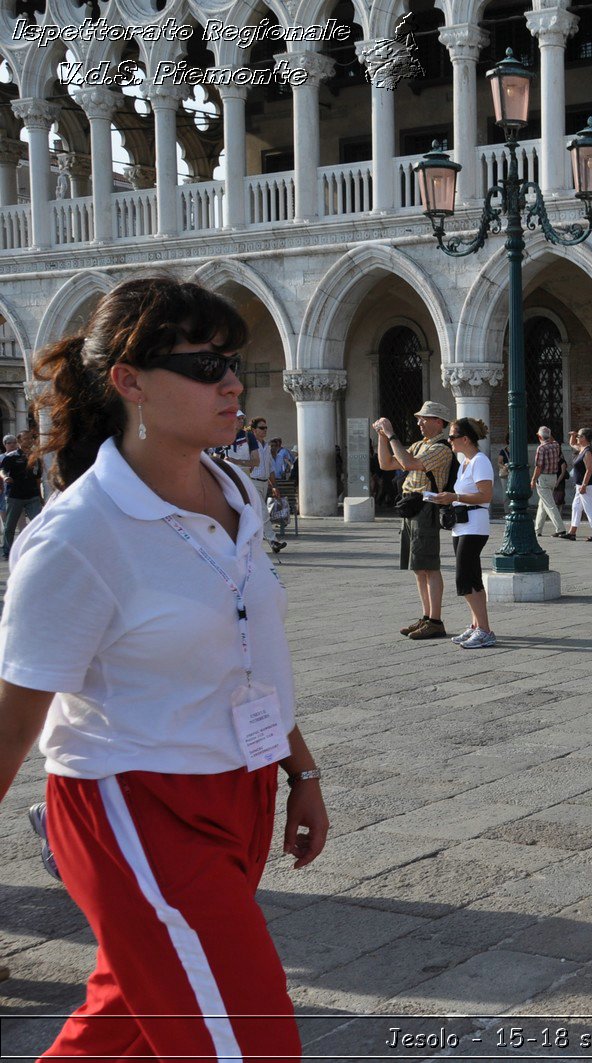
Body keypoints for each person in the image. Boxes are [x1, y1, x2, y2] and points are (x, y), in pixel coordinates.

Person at [0, 276, 326, 1060]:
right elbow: (13, 722)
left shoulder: (234, 489)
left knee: (126, 1032)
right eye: (204, 365)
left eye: (232, 362)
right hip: (134, 805)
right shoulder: (78, 535)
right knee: (249, 1042)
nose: (232, 382)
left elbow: (248, 653)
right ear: (130, 381)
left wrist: (301, 770)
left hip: (236, 789)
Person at [374, 400, 456, 640]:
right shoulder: (421, 444)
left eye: (424, 418)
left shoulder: (441, 448)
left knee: (429, 565)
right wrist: (382, 437)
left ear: (438, 422)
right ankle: (426, 616)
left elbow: (409, 464)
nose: (419, 422)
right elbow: (386, 463)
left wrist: (391, 434)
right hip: (410, 506)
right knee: (418, 567)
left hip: (426, 506)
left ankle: (436, 620)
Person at [432, 417, 497, 649]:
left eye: (452, 436)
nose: (449, 440)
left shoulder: (480, 461)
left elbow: (485, 495)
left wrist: (455, 497)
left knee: (465, 578)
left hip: (475, 525)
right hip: (461, 525)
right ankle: (476, 625)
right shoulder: (466, 462)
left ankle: (485, 630)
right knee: (473, 578)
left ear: (465, 439)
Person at [246, 416, 287, 553]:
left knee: (255, 514)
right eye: (261, 428)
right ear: (253, 430)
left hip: (264, 484)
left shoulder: (267, 447)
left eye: (266, 428)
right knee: (263, 512)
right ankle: (273, 540)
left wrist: (274, 486)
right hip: (253, 482)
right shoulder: (249, 444)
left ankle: (248, 541)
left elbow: (270, 469)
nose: (265, 430)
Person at [2, 427, 42, 559]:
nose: (29, 441)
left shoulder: (35, 457)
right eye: (26, 439)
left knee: (39, 522)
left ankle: (37, 548)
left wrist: (40, 496)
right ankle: (8, 551)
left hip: (33, 496)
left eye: (31, 438)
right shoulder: (11, 457)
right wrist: (5, 477)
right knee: (9, 527)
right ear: (19, 440)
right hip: (15, 496)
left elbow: (38, 477)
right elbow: (2, 470)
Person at [556, 427, 592, 541]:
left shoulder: (587, 452)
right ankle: (572, 532)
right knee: (576, 507)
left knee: (589, 508)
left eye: (580, 436)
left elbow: (589, 470)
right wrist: (573, 435)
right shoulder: (581, 448)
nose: (577, 438)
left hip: (586, 485)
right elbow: (572, 444)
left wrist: (584, 485)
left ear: (585, 438)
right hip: (579, 485)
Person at [532, 425, 565, 537]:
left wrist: (533, 480)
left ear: (539, 436)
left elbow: (538, 467)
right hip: (553, 477)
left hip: (544, 478)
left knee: (550, 505)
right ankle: (537, 530)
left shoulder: (541, 448)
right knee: (543, 504)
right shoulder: (556, 445)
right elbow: (552, 439)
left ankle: (560, 528)